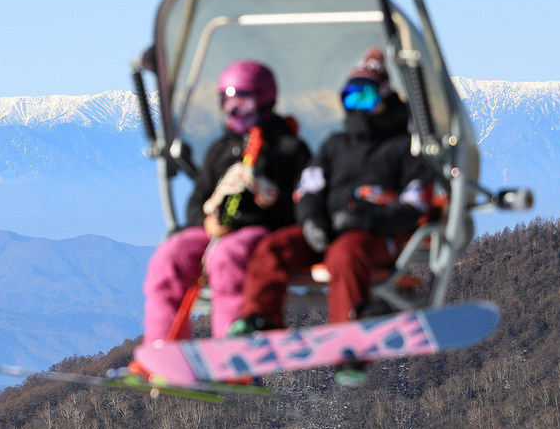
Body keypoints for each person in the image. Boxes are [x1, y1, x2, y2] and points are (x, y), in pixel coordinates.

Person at [236, 47, 435, 384]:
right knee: (275, 247)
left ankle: (349, 346)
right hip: (329, 229)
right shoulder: (335, 144)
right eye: (349, 97)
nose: (356, 107)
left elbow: (415, 205)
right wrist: (311, 221)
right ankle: (261, 322)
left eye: (365, 97)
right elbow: (309, 188)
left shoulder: (405, 148)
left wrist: (367, 220)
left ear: (385, 96)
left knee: (345, 254)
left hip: (374, 236)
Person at [140, 60, 310, 345]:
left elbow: (301, 207)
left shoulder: (288, 149)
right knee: (170, 256)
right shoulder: (221, 149)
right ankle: (162, 345)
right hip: (217, 228)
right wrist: (206, 220)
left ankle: (233, 346)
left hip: (260, 229)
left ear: (264, 100)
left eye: (242, 100)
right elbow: (197, 199)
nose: (233, 108)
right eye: (227, 100)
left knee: (227, 257)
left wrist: (271, 200)